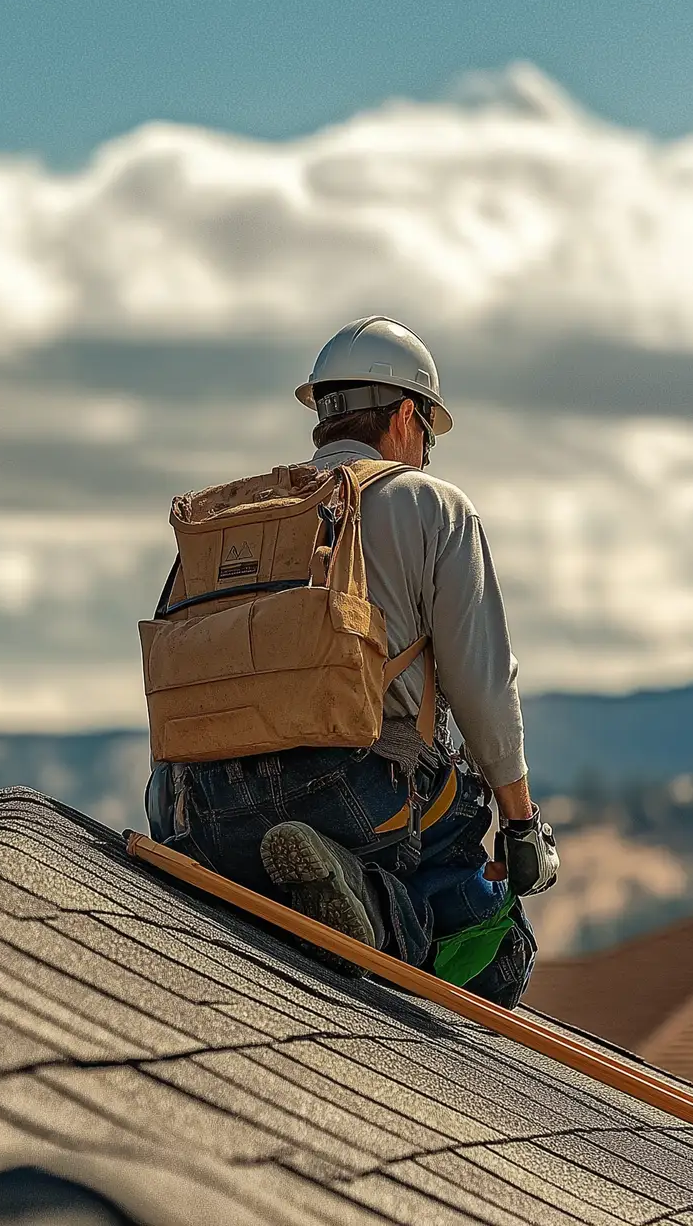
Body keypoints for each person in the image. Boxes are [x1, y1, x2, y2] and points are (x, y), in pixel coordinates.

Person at [146, 316, 556, 1007]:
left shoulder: (238, 515)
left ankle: (274, 883)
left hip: (194, 807)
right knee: (498, 945)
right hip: (350, 794)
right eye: (428, 434)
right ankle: (364, 900)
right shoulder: (433, 506)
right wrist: (519, 825)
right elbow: (482, 687)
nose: (426, 455)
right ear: (404, 417)